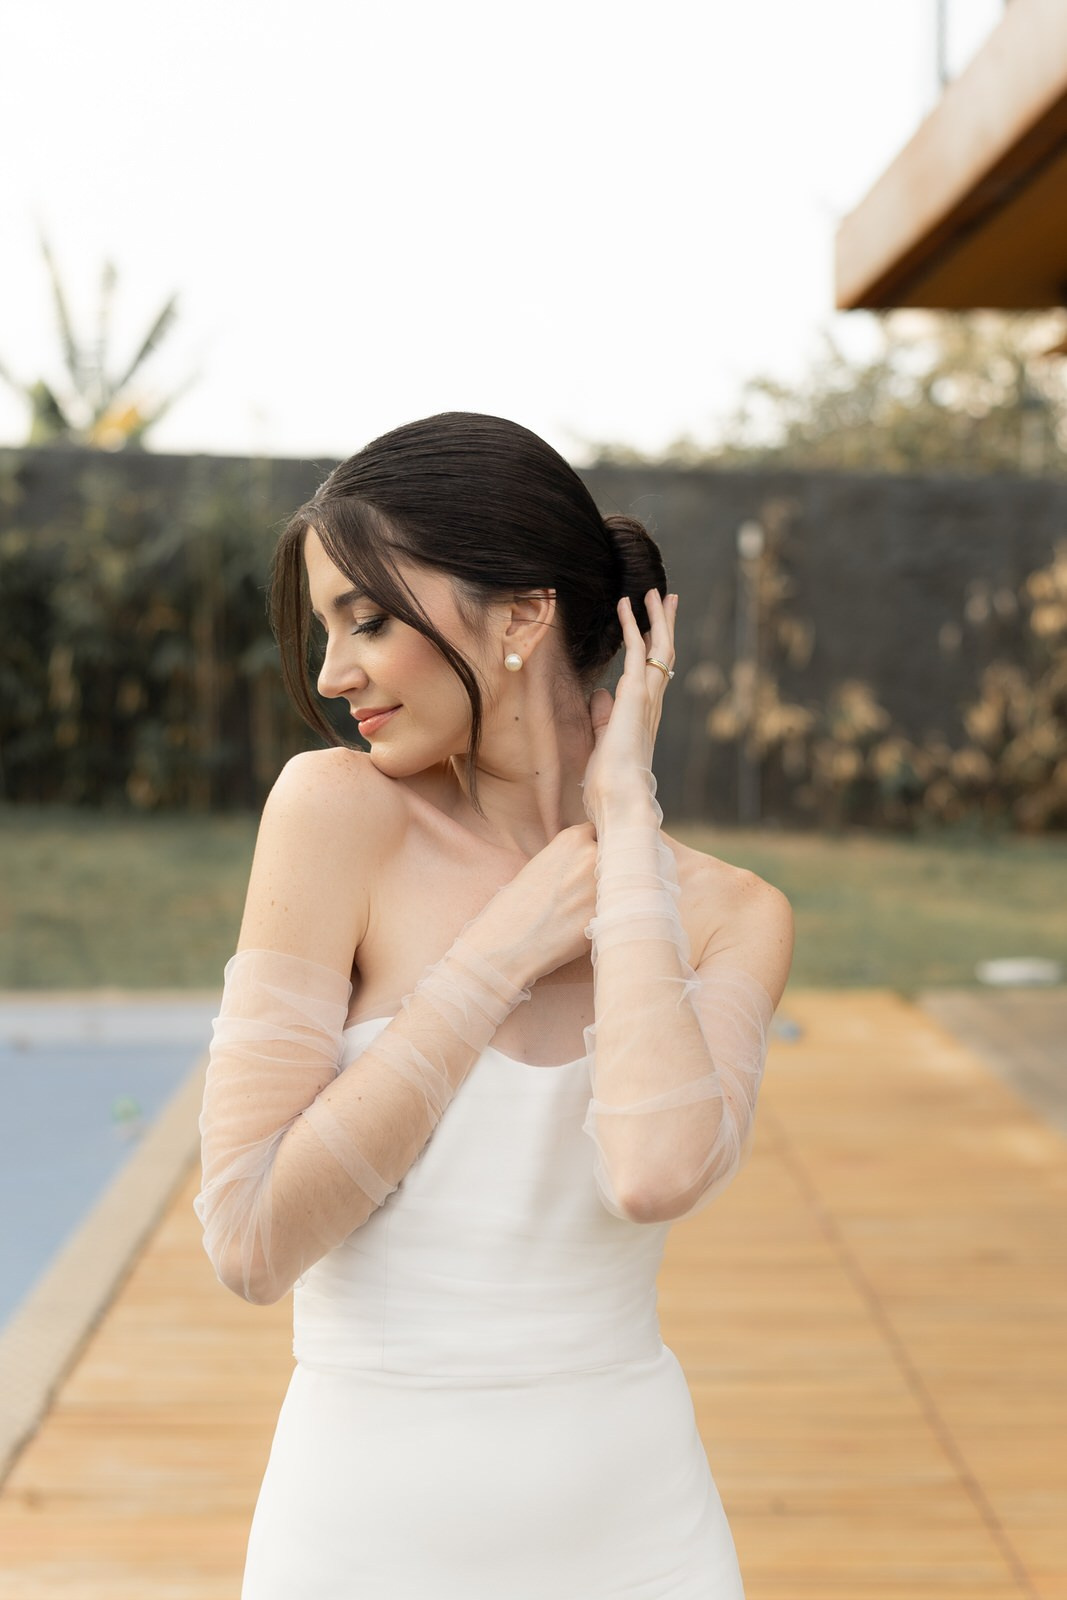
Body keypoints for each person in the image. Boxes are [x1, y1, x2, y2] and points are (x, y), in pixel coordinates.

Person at [194, 411, 794, 1599]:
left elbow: (652, 1172)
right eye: (325, 629)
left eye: (368, 619)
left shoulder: (732, 914)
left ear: (521, 617)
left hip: (641, 1542)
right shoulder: (334, 816)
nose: (332, 672)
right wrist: (494, 957)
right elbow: (251, 1239)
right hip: (354, 1547)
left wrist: (625, 833)